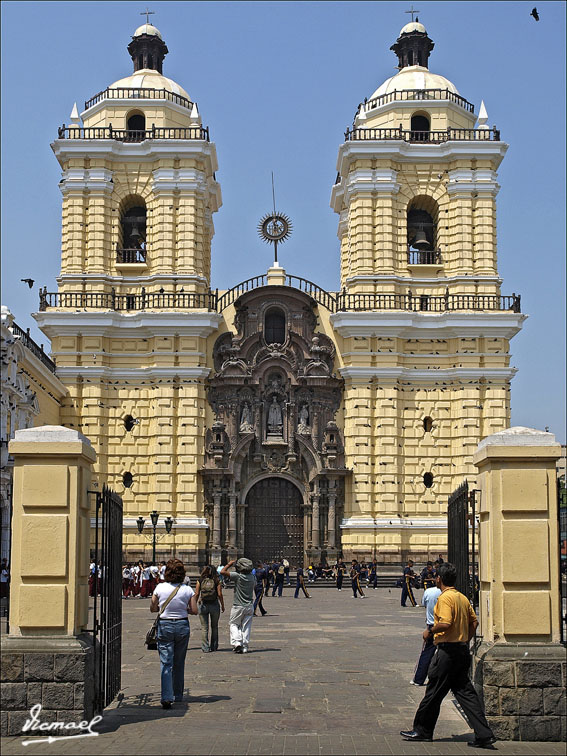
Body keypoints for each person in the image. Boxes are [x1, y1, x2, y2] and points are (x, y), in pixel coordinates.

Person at [400, 562, 496, 748]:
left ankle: (422, 730)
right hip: (461, 651)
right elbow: (474, 622)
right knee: (466, 693)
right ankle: (484, 734)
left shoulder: (445, 598)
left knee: (433, 692)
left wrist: (430, 631)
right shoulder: (462, 597)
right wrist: (464, 639)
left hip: (446, 652)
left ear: (439, 579)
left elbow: (445, 622)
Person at [150, 558, 197, 709]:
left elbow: (153, 608)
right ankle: (177, 695)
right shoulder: (187, 590)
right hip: (182, 625)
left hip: (164, 626)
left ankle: (166, 696)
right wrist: (184, 608)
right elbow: (194, 610)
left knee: (166, 663)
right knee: (179, 662)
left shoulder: (159, 587)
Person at [410, 581, 442, 686]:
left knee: (427, 653)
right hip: (444, 625)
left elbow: (424, 604)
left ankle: (419, 679)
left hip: (431, 626)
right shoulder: (445, 593)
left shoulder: (428, 592)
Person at [221, 557, 255, 653]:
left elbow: (222, 572)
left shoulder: (238, 576)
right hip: (249, 606)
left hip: (238, 606)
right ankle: (245, 646)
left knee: (234, 624)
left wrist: (229, 564)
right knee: (246, 626)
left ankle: (237, 643)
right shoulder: (253, 577)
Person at [194, 565, 224, 652]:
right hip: (214, 604)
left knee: (204, 627)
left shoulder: (200, 580)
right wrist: (222, 605)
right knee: (214, 627)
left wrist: (194, 605)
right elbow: (220, 594)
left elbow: (196, 594)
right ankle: (214, 646)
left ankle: (205, 647)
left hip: (203, 604)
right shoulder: (217, 580)